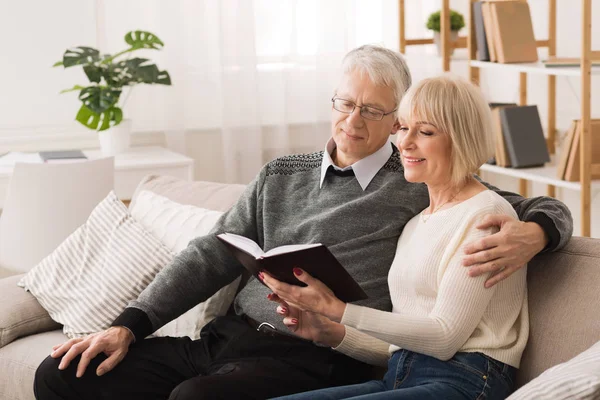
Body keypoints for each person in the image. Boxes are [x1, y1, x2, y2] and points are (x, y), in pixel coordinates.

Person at [34, 45, 572, 400]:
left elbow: (507, 203)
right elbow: (210, 253)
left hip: (320, 354)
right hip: (230, 339)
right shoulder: (280, 176)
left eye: (373, 110)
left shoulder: (414, 178)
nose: (352, 121)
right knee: (61, 377)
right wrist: (128, 325)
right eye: (344, 102)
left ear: (396, 120)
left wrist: (540, 230)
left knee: (195, 398)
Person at [264, 74, 528, 400]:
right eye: (403, 127)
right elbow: (405, 344)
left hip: (465, 382)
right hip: (401, 376)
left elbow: (445, 338)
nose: (404, 142)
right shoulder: (416, 223)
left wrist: (338, 309)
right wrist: (332, 333)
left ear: (463, 139)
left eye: (425, 131)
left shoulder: (485, 217)